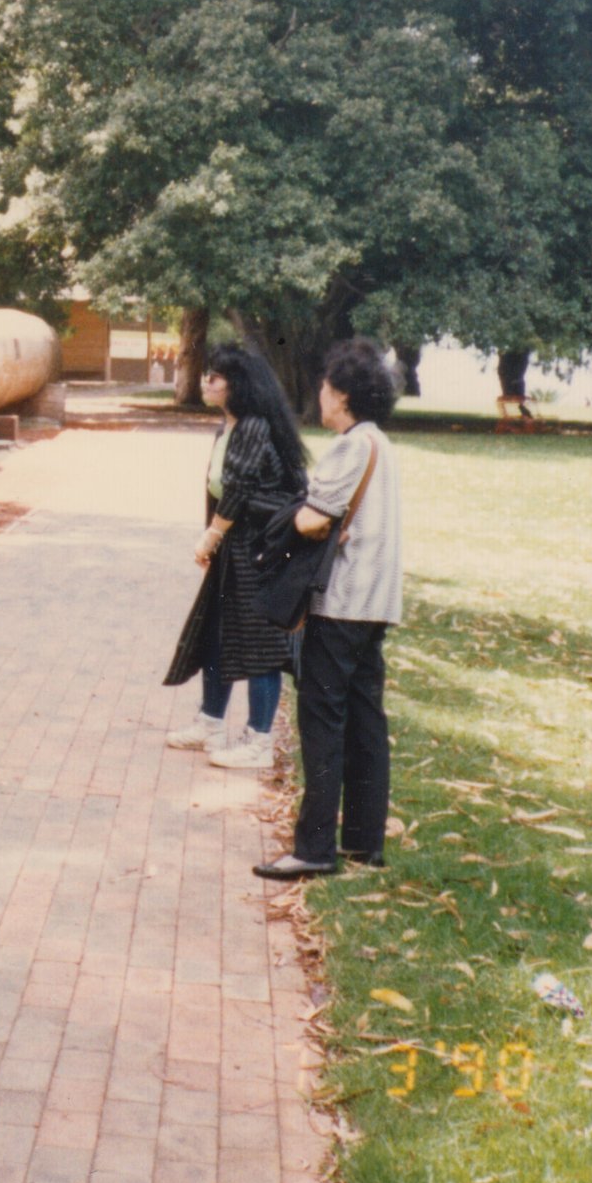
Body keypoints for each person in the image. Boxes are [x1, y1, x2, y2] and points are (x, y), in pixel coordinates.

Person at [255, 338, 404, 880]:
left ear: (340, 395)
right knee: (366, 721)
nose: (319, 394)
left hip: (341, 602)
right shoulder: (380, 443)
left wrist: (287, 519)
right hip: (376, 603)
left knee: (322, 721)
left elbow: (314, 520)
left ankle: (314, 847)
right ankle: (364, 842)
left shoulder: (349, 447)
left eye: (324, 386)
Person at [163, 344, 310, 769]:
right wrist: (213, 539)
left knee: (261, 641)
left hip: (261, 548)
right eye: (207, 375)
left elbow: (242, 488)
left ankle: (258, 741)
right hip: (236, 544)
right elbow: (218, 488)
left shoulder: (253, 427)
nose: (207, 382)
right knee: (217, 632)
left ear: (237, 385)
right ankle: (210, 722)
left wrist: (210, 537)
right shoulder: (228, 426)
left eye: (215, 377)